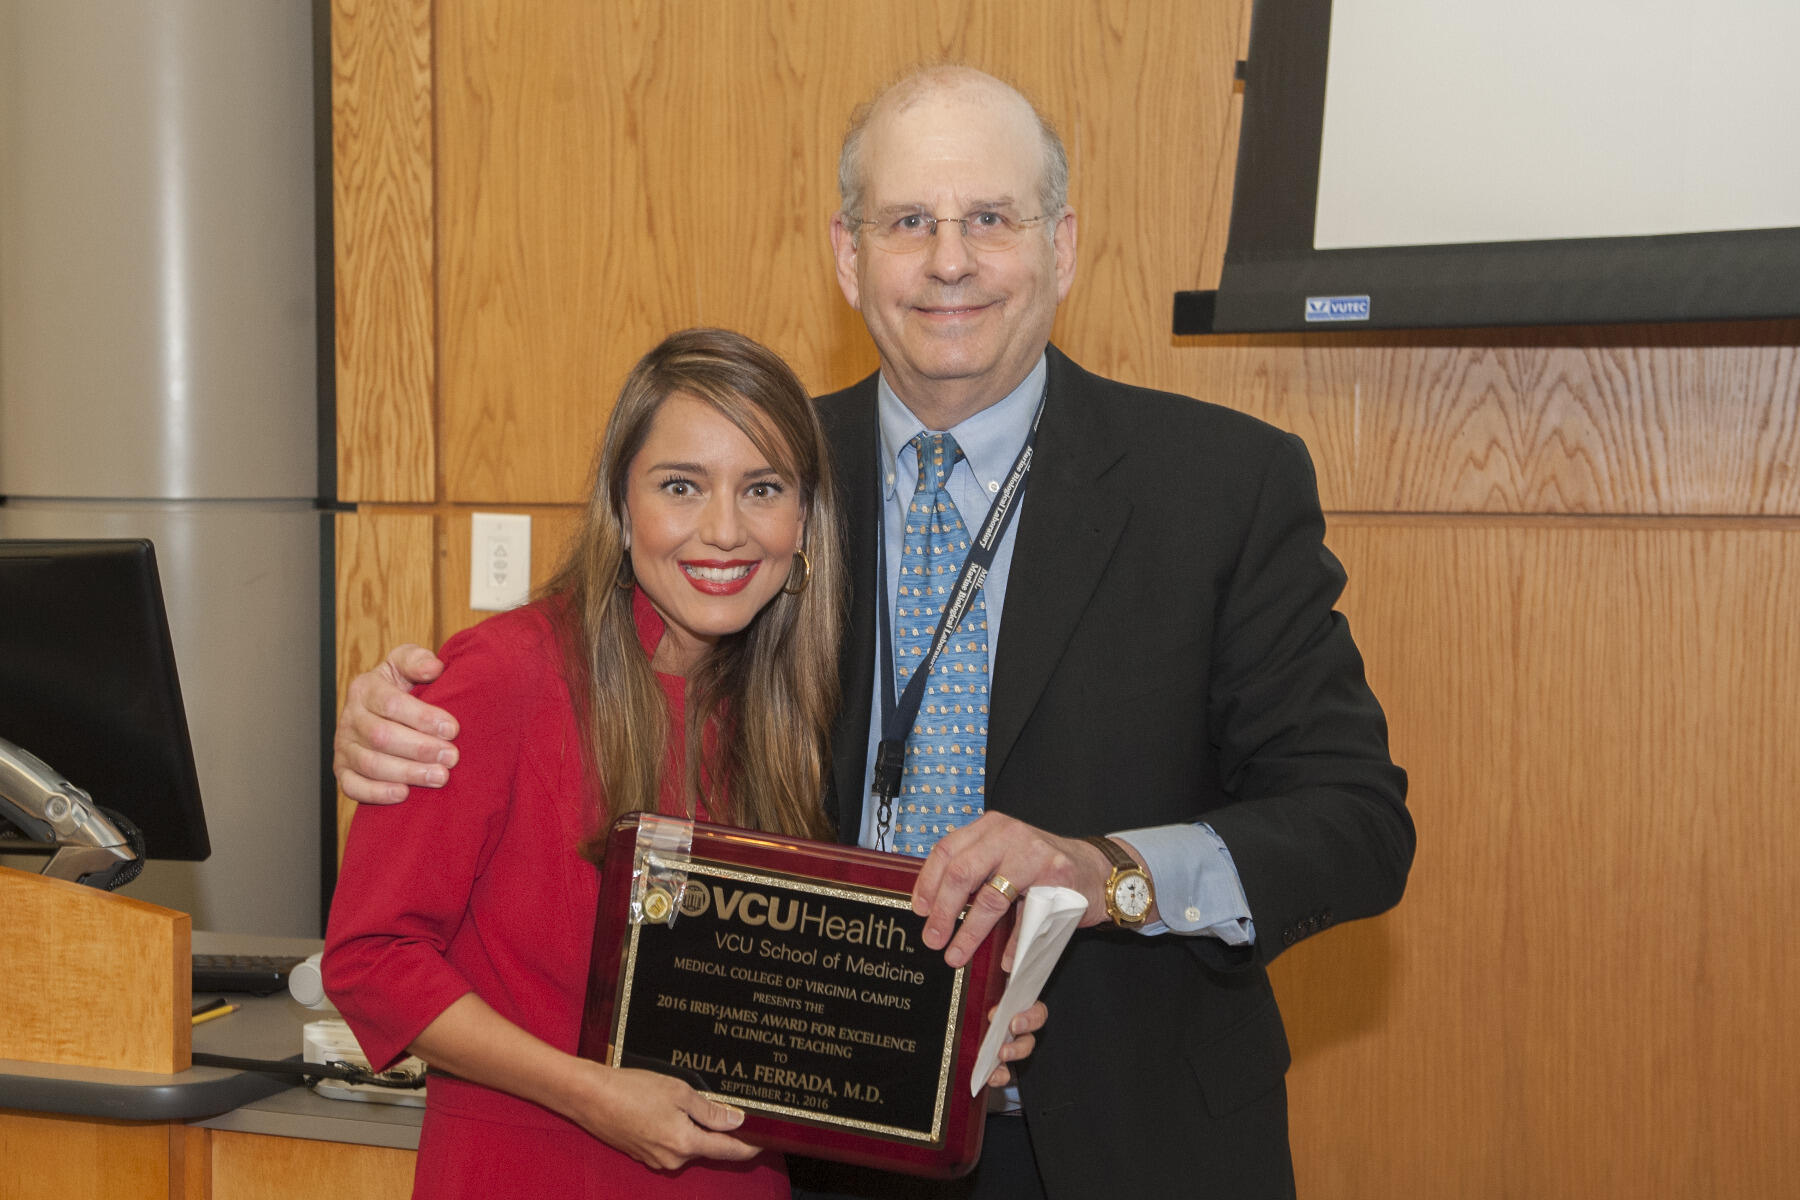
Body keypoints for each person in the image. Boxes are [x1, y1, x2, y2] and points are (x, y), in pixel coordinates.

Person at [334, 69, 1414, 1200]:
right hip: (820, 1152)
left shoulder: (1220, 487)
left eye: (991, 218)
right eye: (911, 222)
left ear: (1064, 245)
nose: (951, 260)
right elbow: (588, 668)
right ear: (851, 258)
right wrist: (394, 713)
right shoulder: (766, 481)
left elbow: (1354, 824)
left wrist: (1109, 877)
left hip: (1130, 1144)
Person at [324, 328, 1042, 1199]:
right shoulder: (504, 675)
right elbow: (371, 959)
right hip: (536, 1172)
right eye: (681, 487)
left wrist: (949, 1039)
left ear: (804, 519)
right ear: (622, 510)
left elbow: (793, 987)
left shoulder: (789, 711)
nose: (725, 531)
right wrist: (594, 1095)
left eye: (763, 489)